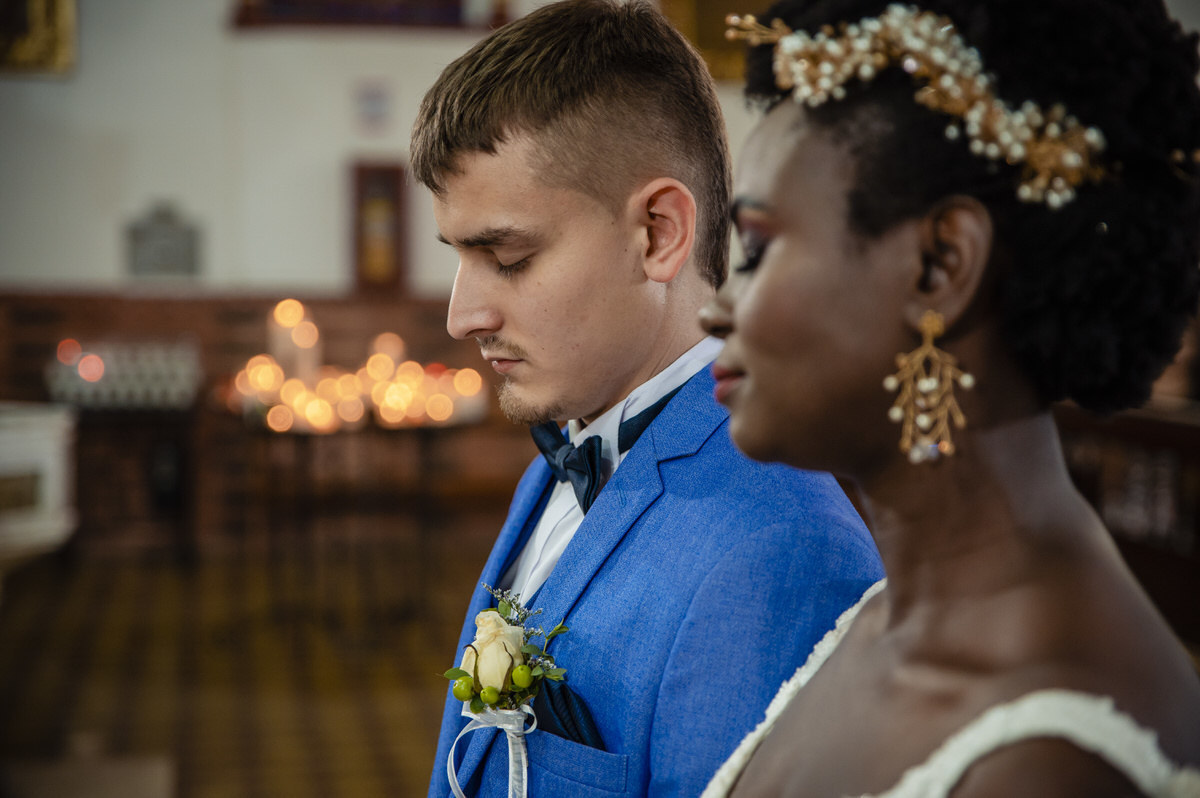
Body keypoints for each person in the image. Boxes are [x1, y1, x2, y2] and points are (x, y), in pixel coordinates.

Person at [698, 0, 1200, 795]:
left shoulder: (1047, 760)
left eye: (757, 249)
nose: (715, 307)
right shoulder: (877, 619)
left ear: (941, 265)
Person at [409, 0, 884, 795]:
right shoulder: (565, 449)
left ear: (659, 233)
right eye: (460, 257)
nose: (463, 316)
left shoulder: (780, 552)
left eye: (508, 256)